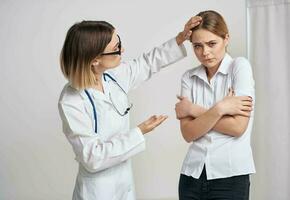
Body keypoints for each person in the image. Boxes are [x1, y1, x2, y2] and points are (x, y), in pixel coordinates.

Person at [58, 17, 202, 200]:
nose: (122, 50)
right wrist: (139, 131)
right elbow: (92, 158)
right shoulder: (71, 101)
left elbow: (147, 63)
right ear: (95, 60)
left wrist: (181, 38)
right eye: (115, 48)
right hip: (97, 191)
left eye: (120, 43)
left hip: (124, 184)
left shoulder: (112, 77)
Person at [175, 10, 255, 200]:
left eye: (212, 44)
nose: (205, 53)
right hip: (191, 176)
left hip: (230, 177)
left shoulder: (239, 67)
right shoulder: (189, 77)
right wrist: (221, 109)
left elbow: (237, 127)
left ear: (226, 39)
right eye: (197, 46)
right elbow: (188, 133)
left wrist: (194, 110)